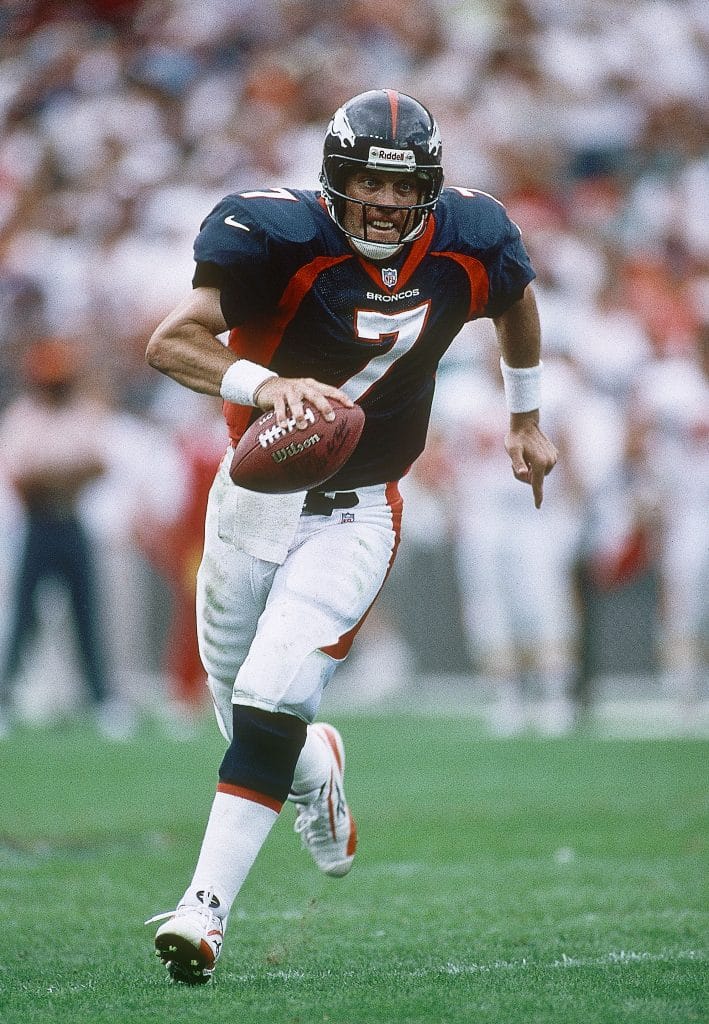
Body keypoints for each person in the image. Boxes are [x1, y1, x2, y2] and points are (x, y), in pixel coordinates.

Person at [143, 89, 557, 984]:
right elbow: (171, 343)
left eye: (402, 189)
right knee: (241, 710)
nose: (384, 203)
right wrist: (265, 387)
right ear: (335, 178)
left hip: (360, 506)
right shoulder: (273, 233)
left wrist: (525, 419)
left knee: (268, 696)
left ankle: (203, 911)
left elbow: (515, 303)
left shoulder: (472, 236)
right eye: (367, 181)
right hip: (252, 499)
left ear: (430, 192)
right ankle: (315, 766)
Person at [0, 338, 127, 737]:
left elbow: (97, 466)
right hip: (38, 526)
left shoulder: (83, 413)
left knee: (86, 616)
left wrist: (54, 476)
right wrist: (65, 475)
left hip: (71, 523)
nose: (56, 388)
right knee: (24, 618)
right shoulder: (22, 417)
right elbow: (22, 480)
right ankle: (4, 701)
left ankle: (102, 701)